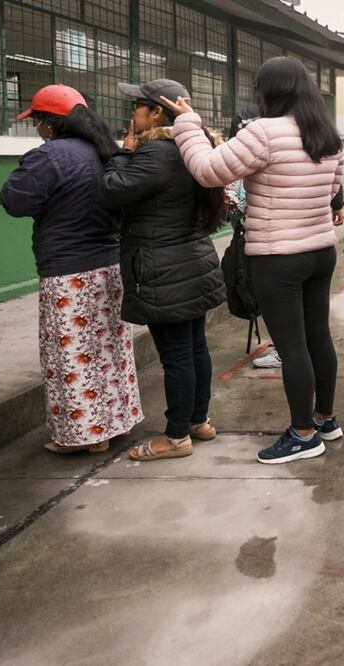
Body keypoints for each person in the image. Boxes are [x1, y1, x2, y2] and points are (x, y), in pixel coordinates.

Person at [162, 57, 344, 464]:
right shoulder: (327, 135)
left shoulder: (263, 132)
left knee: (292, 346)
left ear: (269, 91)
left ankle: (302, 434)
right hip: (320, 252)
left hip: (278, 257)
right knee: (318, 337)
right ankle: (325, 419)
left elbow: (209, 171)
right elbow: (335, 187)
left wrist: (188, 124)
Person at [0, 84, 143, 455]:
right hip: (110, 268)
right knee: (109, 349)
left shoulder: (48, 158)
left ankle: (88, 436)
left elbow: (14, 201)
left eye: (38, 122)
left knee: (71, 356)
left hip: (68, 274)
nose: (37, 130)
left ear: (50, 123)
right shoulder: (107, 152)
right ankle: (117, 422)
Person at [99, 78, 226, 462]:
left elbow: (111, 190)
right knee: (194, 347)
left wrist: (123, 153)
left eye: (138, 105)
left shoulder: (156, 152)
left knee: (176, 356)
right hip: (192, 262)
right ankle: (197, 421)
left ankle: (175, 437)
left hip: (162, 268)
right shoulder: (192, 147)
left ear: (157, 112)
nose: (131, 113)